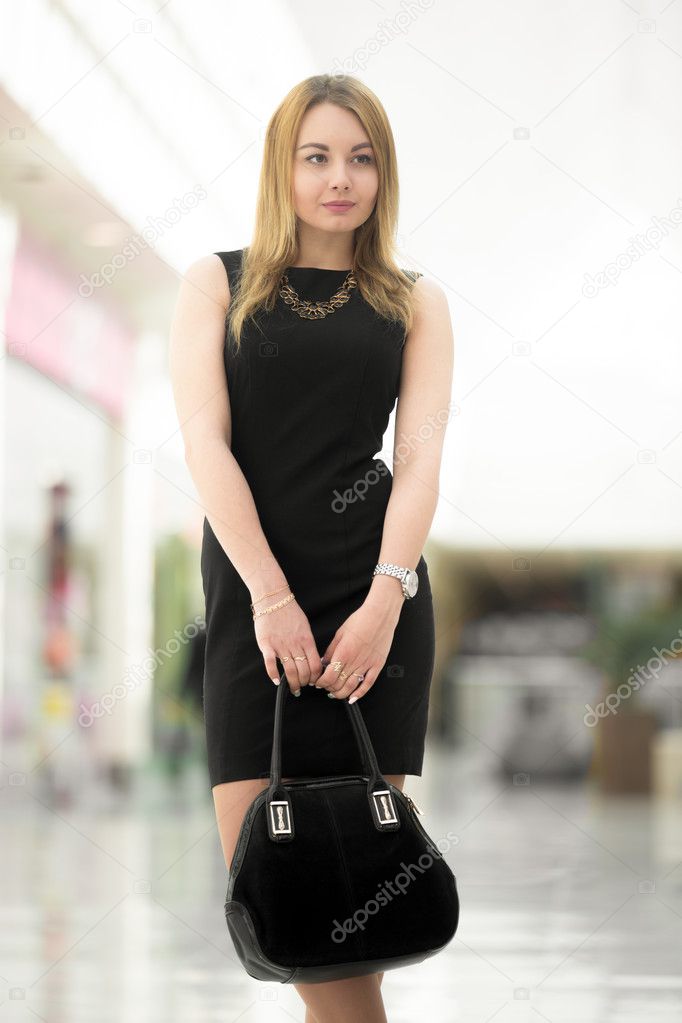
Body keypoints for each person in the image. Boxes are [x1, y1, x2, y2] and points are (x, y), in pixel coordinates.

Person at [169, 73, 454, 1023]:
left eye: (363, 158)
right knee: (286, 906)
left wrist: (385, 600)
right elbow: (205, 444)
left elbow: (416, 462)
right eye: (319, 155)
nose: (342, 178)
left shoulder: (415, 301)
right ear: (281, 165)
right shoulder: (219, 281)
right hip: (256, 603)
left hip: (375, 607)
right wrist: (267, 593)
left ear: (385, 173)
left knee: (351, 909)